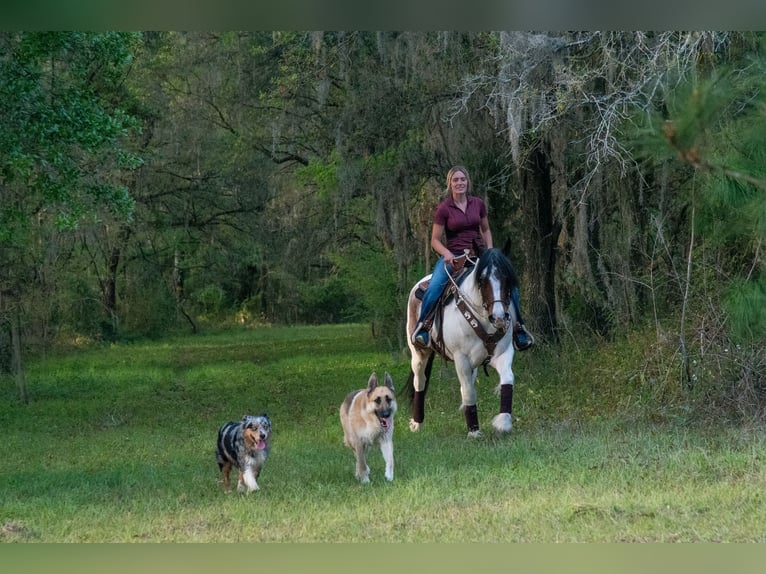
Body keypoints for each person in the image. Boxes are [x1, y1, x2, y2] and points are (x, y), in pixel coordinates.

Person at [411, 165, 534, 351]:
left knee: (509, 286)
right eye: (455, 180)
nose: (459, 183)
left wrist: (490, 252)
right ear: (450, 184)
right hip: (454, 258)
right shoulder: (444, 209)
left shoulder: (478, 204)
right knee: (435, 287)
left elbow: (485, 229)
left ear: (467, 182)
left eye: (462, 179)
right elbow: (435, 240)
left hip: (480, 257)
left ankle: (519, 330)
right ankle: (423, 328)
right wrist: (446, 254)